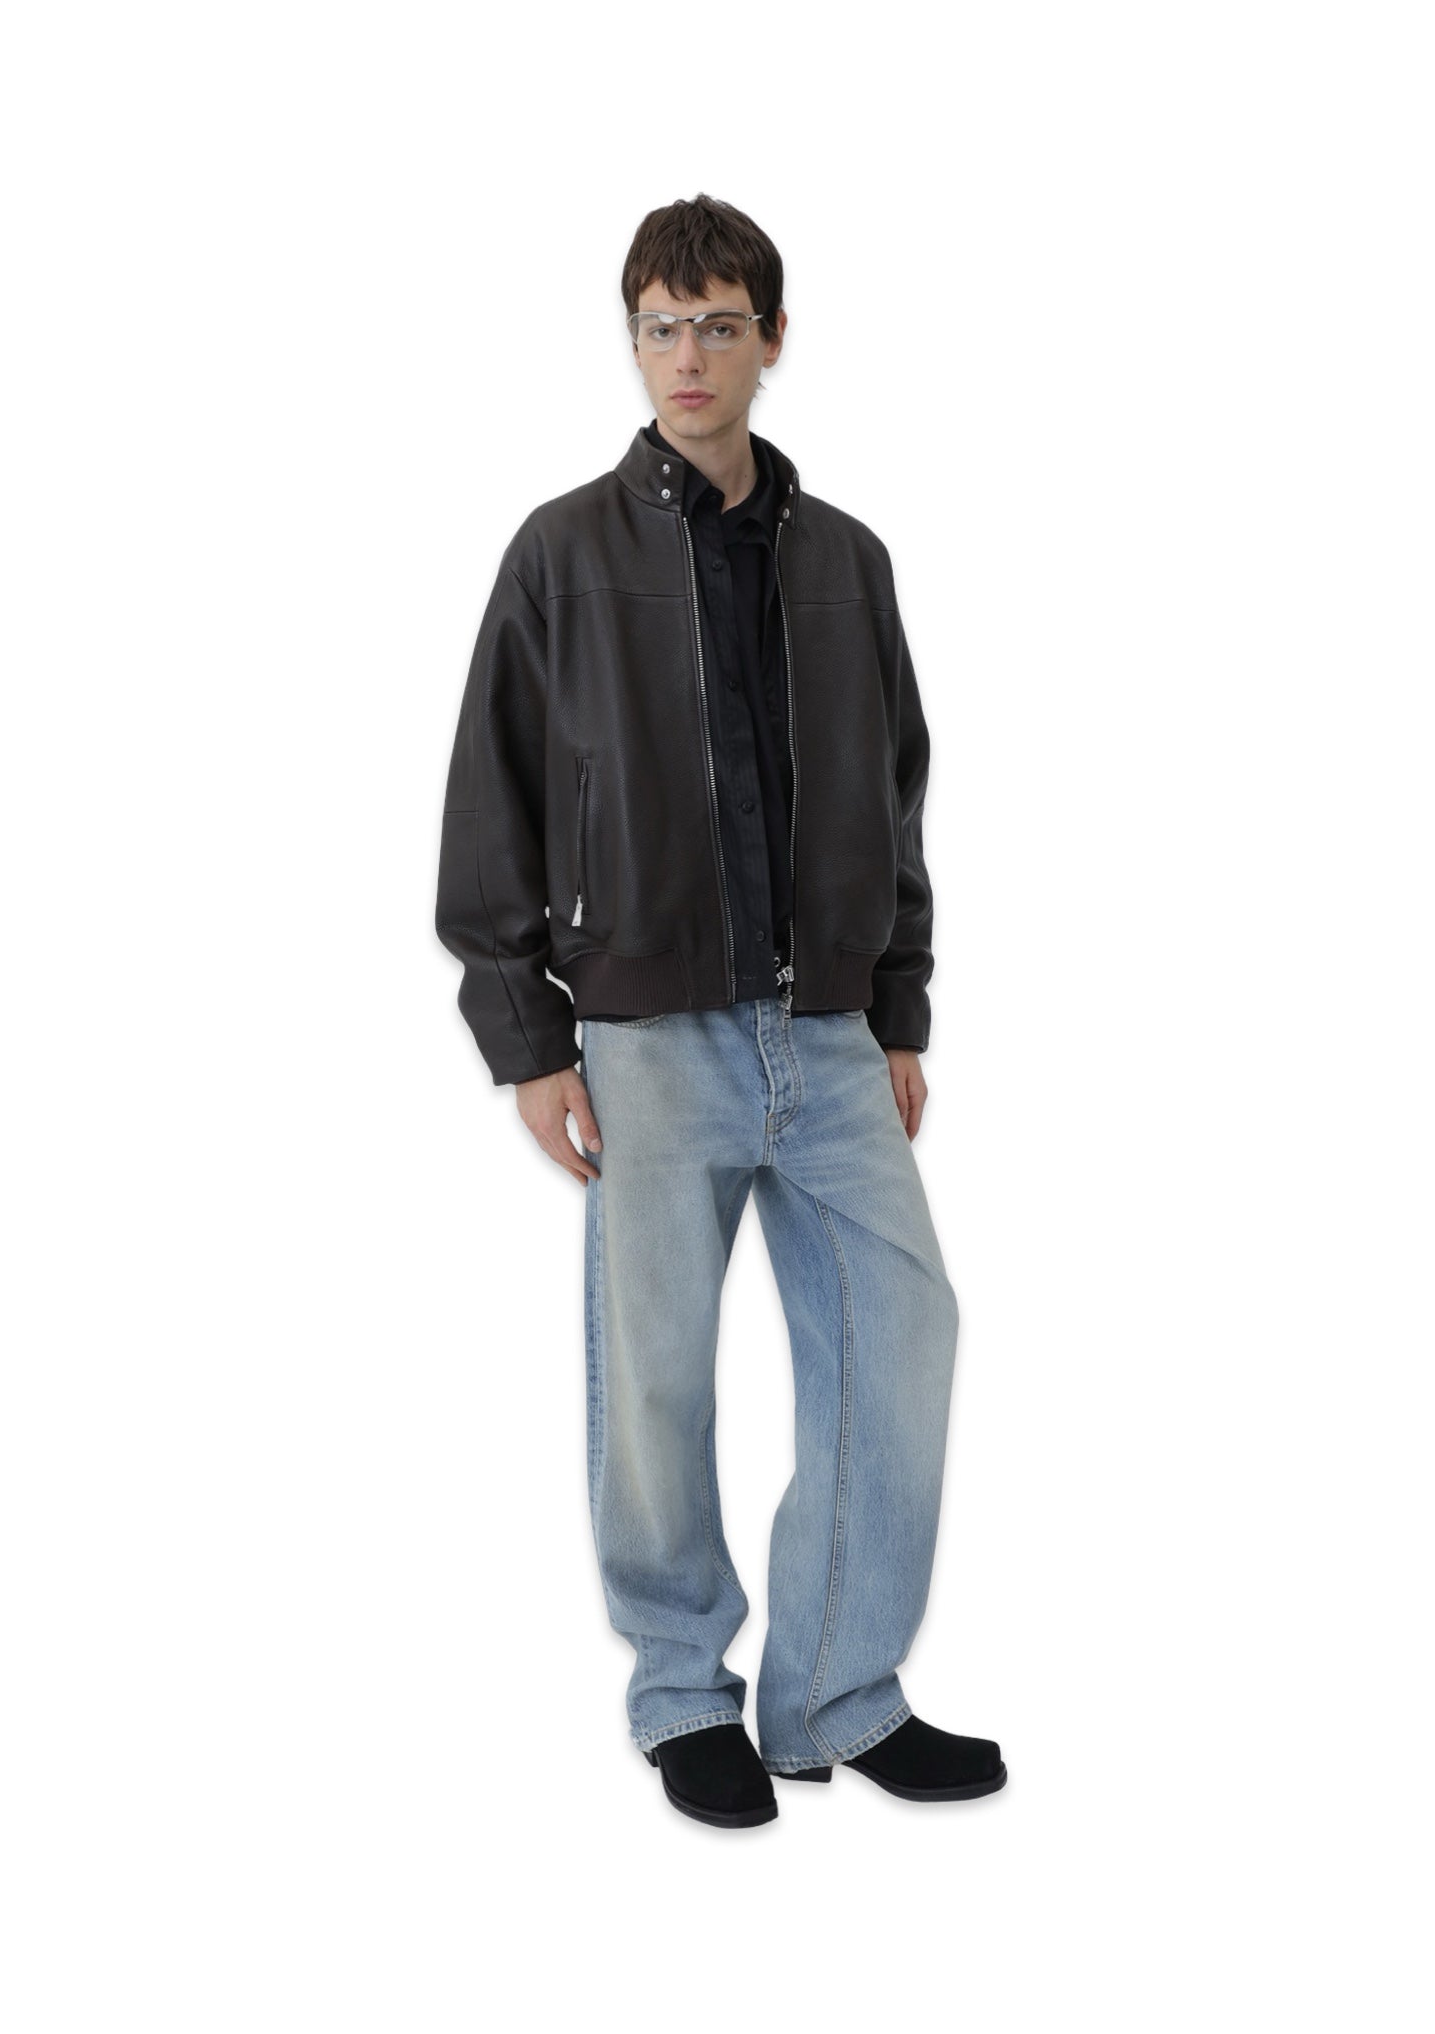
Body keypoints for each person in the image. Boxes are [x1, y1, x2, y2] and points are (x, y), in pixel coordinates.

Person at [434, 193, 1004, 1829]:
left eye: (720, 324)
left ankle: (834, 1689)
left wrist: (897, 1007)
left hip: (827, 1033)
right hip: (649, 1034)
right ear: (634, 343)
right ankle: (684, 1691)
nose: (688, 355)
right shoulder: (562, 553)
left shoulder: (847, 563)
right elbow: (496, 796)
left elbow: (894, 793)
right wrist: (529, 1037)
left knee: (902, 1333)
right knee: (658, 1379)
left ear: (773, 340)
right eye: (661, 326)